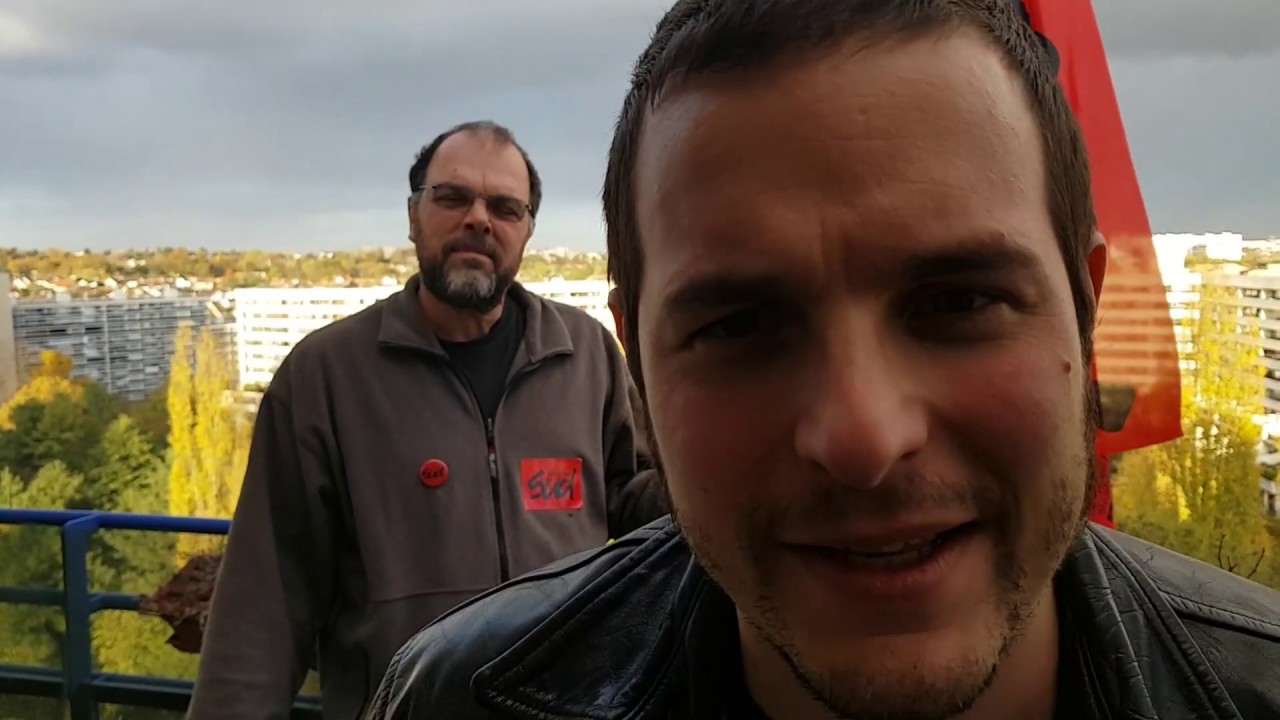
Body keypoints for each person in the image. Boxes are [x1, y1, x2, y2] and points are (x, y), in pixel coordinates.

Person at [366, 3, 1280, 719]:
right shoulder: (451, 702)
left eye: (959, 303)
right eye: (740, 326)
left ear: (1085, 314)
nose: (863, 438)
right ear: (636, 365)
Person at [188, 120, 664, 720]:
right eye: (453, 197)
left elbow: (638, 499)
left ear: (527, 231)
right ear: (413, 216)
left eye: (505, 208)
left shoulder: (586, 353)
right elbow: (266, 597)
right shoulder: (326, 376)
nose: (478, 220)